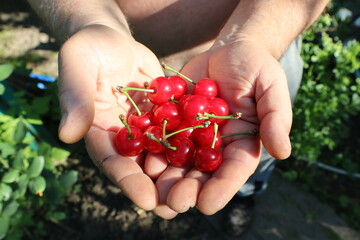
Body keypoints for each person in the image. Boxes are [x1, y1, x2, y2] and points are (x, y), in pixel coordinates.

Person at [27, 0, 329, 236]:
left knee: (256, 142)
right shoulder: (158, 115)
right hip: (132, 58)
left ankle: (246, 194)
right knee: (244, 140)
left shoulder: (222, 101)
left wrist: (255, 38)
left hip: (254, 54)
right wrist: (92, 21)